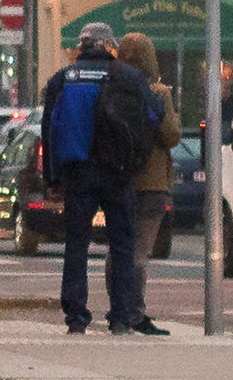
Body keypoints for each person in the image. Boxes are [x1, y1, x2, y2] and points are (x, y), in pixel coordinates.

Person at [39, 21, 166, 337]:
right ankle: (121, 316)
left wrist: (52, 178)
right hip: (118, 172)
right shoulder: (129, 78)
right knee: (122, 244)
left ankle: (76, 317)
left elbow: (49, 131)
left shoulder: (63, 80)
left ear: (80, 47)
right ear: (110, 46)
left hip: (78, 173)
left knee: (77, 244)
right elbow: (154, 116)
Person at [119, 31, 184, 309]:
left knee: (119, 248)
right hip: (154, 183)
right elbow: (171, 136)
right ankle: (134, 307)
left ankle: (118, 306)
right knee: (141, 251)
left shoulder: (112, 89)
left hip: (120, 179)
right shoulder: (158, 93)